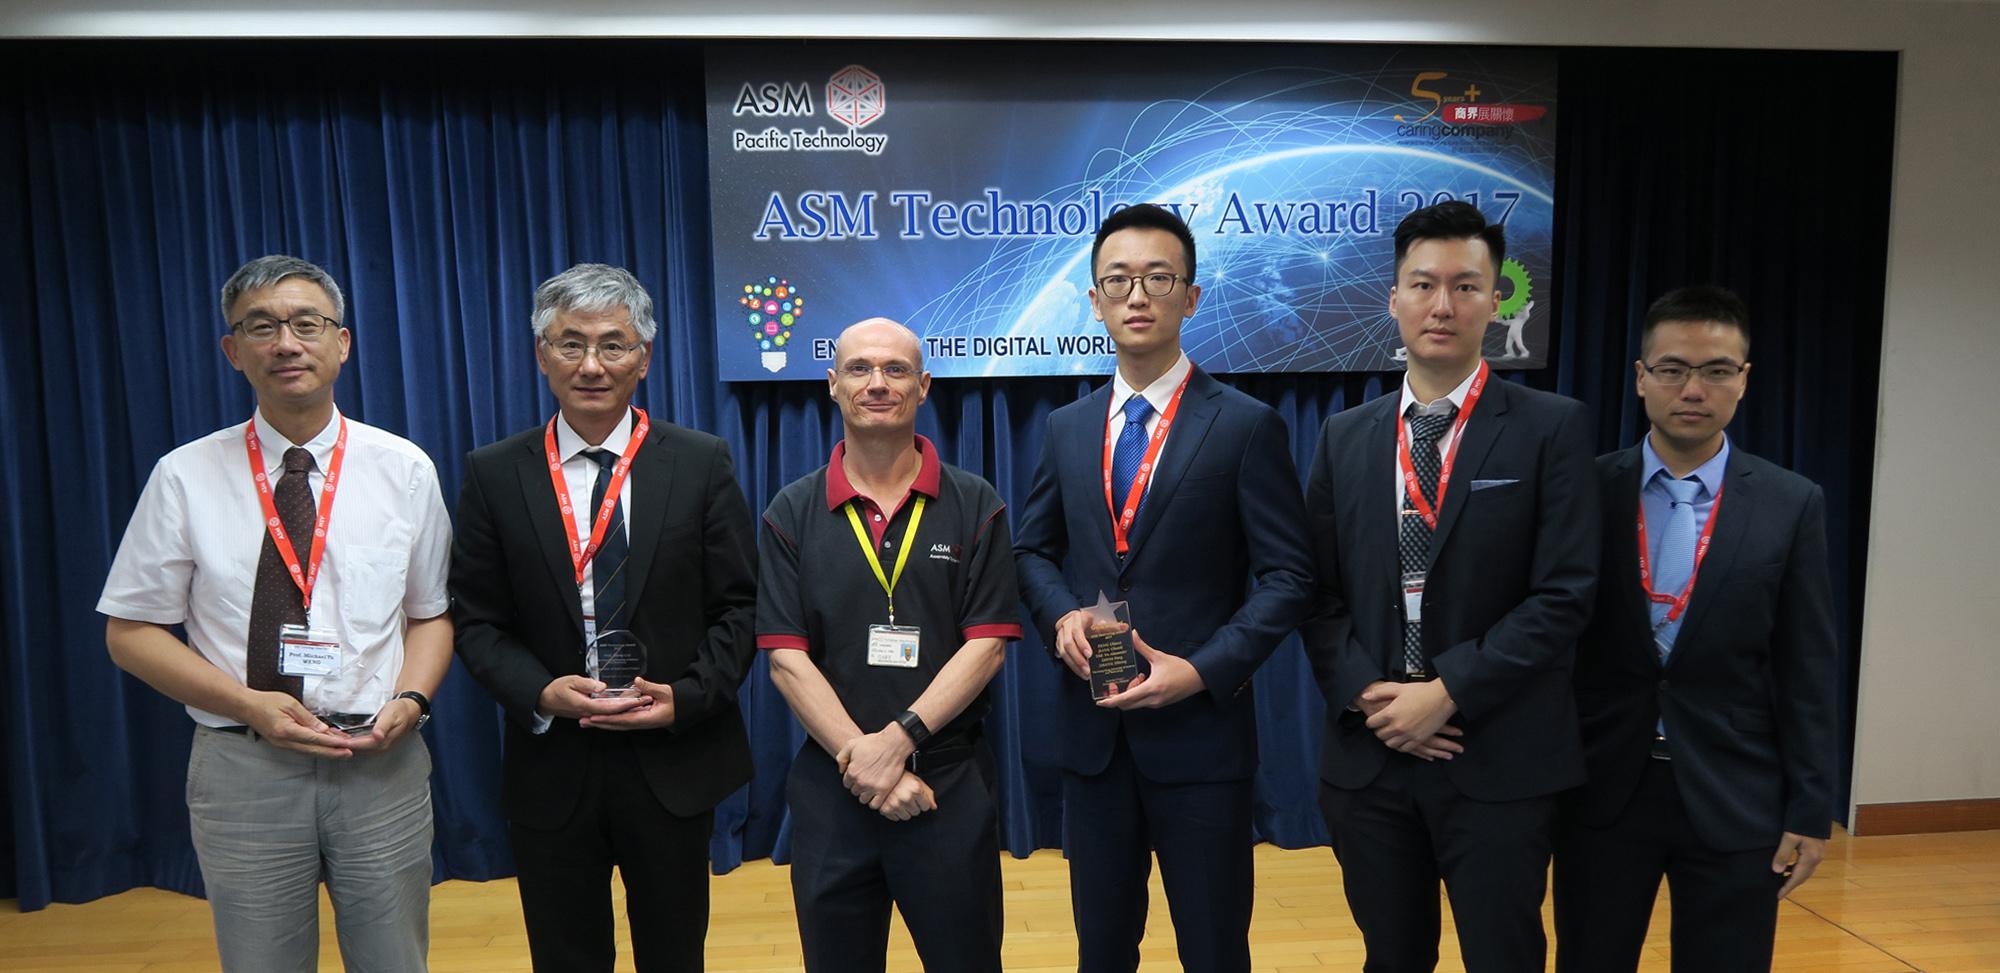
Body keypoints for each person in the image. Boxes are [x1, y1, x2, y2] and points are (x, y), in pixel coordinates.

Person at [99, 254, 451, 971]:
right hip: (244, 767)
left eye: (305, 323)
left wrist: (412, 699)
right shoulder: (184, 475)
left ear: (341, 342)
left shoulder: (404, 468)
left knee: (395, 960)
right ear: (233, 351)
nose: (285, 342)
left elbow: (431, 614)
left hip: (377, 765)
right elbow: (131, 632)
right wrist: (250, 704)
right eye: (261, 326)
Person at [1013, 204, 1315, 973]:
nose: (1137, 295)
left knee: (1215, 949)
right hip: (1096, 739)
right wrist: (1059, 620)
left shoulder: (1246, 426)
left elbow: (1288, 576)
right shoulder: (1066, 427)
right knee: (1102, 949)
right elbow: (1032, 551)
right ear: (1094, 301)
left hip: (1201, 741)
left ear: (1192, 296)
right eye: (1118, 280)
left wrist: (1204, 668)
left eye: (1158, 277)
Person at [1301, 200, 1599, 972]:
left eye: (1465, 286)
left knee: (1504, 956)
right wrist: (1376, 695)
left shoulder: (1551, 427)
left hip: (1496, 755)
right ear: (1392, 298)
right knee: (1391, 956)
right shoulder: (1345, 435)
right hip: (1372, 759)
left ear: (1497, 299)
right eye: (1423, 284)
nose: (1443, 305)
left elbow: (1564, 594)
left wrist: (1447, 690)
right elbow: (1315, 592)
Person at [450, 263, 758, 972]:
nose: (591, 364)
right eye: (570, 344)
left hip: (672, 760)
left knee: (674, 953)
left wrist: (685, 697)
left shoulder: (700, 462)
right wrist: (538, 691)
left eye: (613, 345)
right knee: (565, 956)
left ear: (644, 357)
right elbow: (476, 620)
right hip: (553, 761)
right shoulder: (494, 473)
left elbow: (739, 605)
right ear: (541, 355)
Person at [1553, 285, 1838, 972]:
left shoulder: (1790, 502)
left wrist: (1809, 805)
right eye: (1673, 368)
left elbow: (1808, 665)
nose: (1693, 388)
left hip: (1736, 793)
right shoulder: (1584, 489)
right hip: (1603, 787)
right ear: (1641, 378)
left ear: (1743, 381)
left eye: (1716, 370)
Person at [758, 318, 1019, 973]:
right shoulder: (790, 512)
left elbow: (987, 646)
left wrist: (896, 743)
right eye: (859, 369)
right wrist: (863, 762)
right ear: (832, 384)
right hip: (832, 787)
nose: (877, 383)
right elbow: (787, 660)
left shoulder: (976, 502)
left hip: (946, 783)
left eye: (896, 369)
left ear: (924, 385)